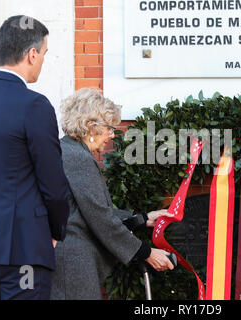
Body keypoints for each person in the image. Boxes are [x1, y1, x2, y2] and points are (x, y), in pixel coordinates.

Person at [0, 15, 70, 300]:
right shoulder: (35, 106)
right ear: (31, 55)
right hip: (24, 249)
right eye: (43, 53)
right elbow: (54, 186)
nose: (43, 60)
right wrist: (55, 231)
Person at [50, 88, 174, 300]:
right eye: (108, 128)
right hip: (72, 263)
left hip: (69, 260)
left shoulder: (70, 151)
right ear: (90, 126)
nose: (111, 135)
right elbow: (100, 218)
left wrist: (143, 219)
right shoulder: (77, 157)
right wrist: (147, 253)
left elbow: (91, 210)